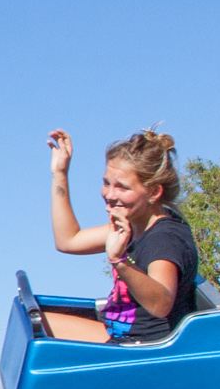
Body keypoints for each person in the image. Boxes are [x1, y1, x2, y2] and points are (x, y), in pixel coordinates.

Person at [40, 129, 200, 344]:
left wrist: (119, 261)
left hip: (141, 348)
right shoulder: (133, 225)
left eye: (122, 187)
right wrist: (60, 174)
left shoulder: (164, 238)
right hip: (117, 333)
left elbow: (161, 304)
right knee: (33, 323)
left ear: (153, 192)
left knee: (38, 333)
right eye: (107, 183)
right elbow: (68, 240)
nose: (109, 195)